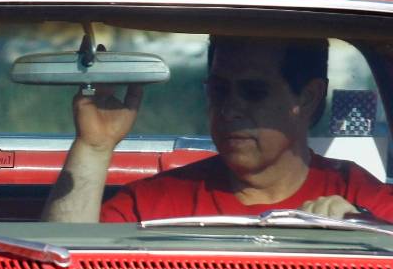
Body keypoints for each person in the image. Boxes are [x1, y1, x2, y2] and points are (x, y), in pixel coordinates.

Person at [42, 35, 393, 223]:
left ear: (309, 98)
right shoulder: (154, 204)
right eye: (219, 90)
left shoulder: (365, 202)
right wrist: (93, 147)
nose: (229, 109)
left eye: (254, 91)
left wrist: (363, 231)